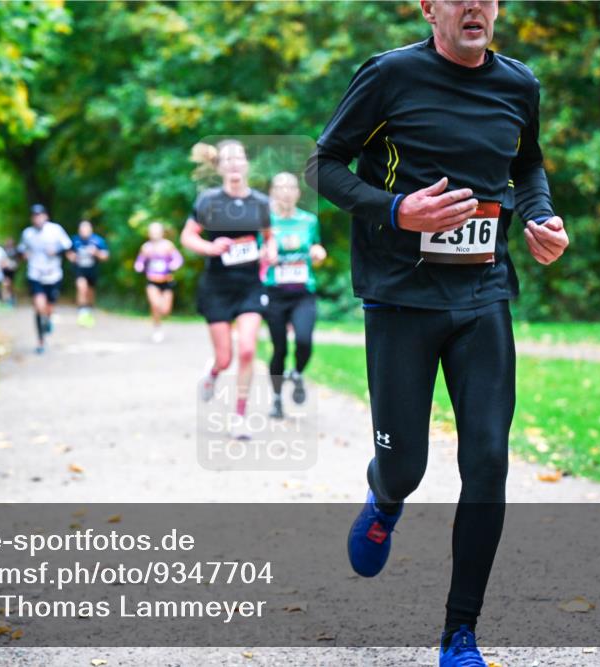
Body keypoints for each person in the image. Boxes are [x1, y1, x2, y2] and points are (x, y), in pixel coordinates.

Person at [305, 1, 569, 665]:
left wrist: (540, 216)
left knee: (487, 458)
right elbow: (323, 166)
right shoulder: (390, 76)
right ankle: (385, 495)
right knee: (408, 464)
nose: (476, 6)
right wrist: (397, 209)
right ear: (430, 7)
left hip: (483, 296)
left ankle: (460, 632)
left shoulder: (519, 84)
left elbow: (527, 166)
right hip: (400, 300)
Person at [181, 139, 275, 438]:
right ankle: (213, 374)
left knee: (247, 350)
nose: (234, 163)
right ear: (219, 166)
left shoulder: (260, 202)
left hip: (249, 284)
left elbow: (269, 237)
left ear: (246, 164)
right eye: (228, 159)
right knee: (225, 359)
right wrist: (211, 247)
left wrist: (269, 251)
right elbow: (188, 237)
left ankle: (239, 417)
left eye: (239, 158)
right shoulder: (208, 200)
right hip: (217, 286)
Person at [262, 173, 327, 419]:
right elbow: (258, 252)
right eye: (280, 187)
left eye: (291, 187)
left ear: (298, 193)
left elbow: (317, 245)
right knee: (279, 348)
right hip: (275, 292)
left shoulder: (309, 221)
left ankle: (297, 373)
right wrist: (264, 254)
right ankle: (277, 399)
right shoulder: (265, 222)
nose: (286, 191)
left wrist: (318, 251)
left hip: (303, 293)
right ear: (273, 192)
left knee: (304, 340)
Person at [18, 203, 73, 354]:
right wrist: (23, 255)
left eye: (40, 215)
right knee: (38, 306)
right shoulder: (27, 234)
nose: (37, 219)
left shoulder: (55, 230)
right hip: (35, 274)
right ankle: (40, 341)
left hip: (53, 274)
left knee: (49, 307)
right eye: (34, 216)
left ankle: (48, 319)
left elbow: (68, 246)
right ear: (31, 218)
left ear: (45, 216)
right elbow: (21, 250)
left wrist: (56, 250)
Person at [134, 222, 184, 343]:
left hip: (166, 281)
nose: (154, 234)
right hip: (152, 281)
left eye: (157, 231)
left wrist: (174, 264)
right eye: (152, 231)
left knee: (165, 310)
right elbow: (139, 261)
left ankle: (159, 320)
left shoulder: (168, 245)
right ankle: (157, 329)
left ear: (162, 233)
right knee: (155, 304)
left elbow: (178, 258)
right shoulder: (146, 247)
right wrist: (139, 266)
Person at [68, 220, 110, 328]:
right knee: (82, 288)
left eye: (86, 229)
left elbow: (106, 256)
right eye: (82, 229)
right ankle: (82, 313)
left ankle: (89, 311)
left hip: (92, 270)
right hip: (79, 270)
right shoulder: (75, 240)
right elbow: (68, 253)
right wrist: (73, 257)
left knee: (90, 292)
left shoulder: (97, 241)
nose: (84, 231)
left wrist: (96, 253)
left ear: (91, 230)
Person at [2, 237, 19, 305]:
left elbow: (17, 260)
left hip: (12, 270)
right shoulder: (3, 250)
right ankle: (7, 300)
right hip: (5, 270)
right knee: (6, 284)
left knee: (11, 285)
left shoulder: (15, 250)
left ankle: (11, 299)